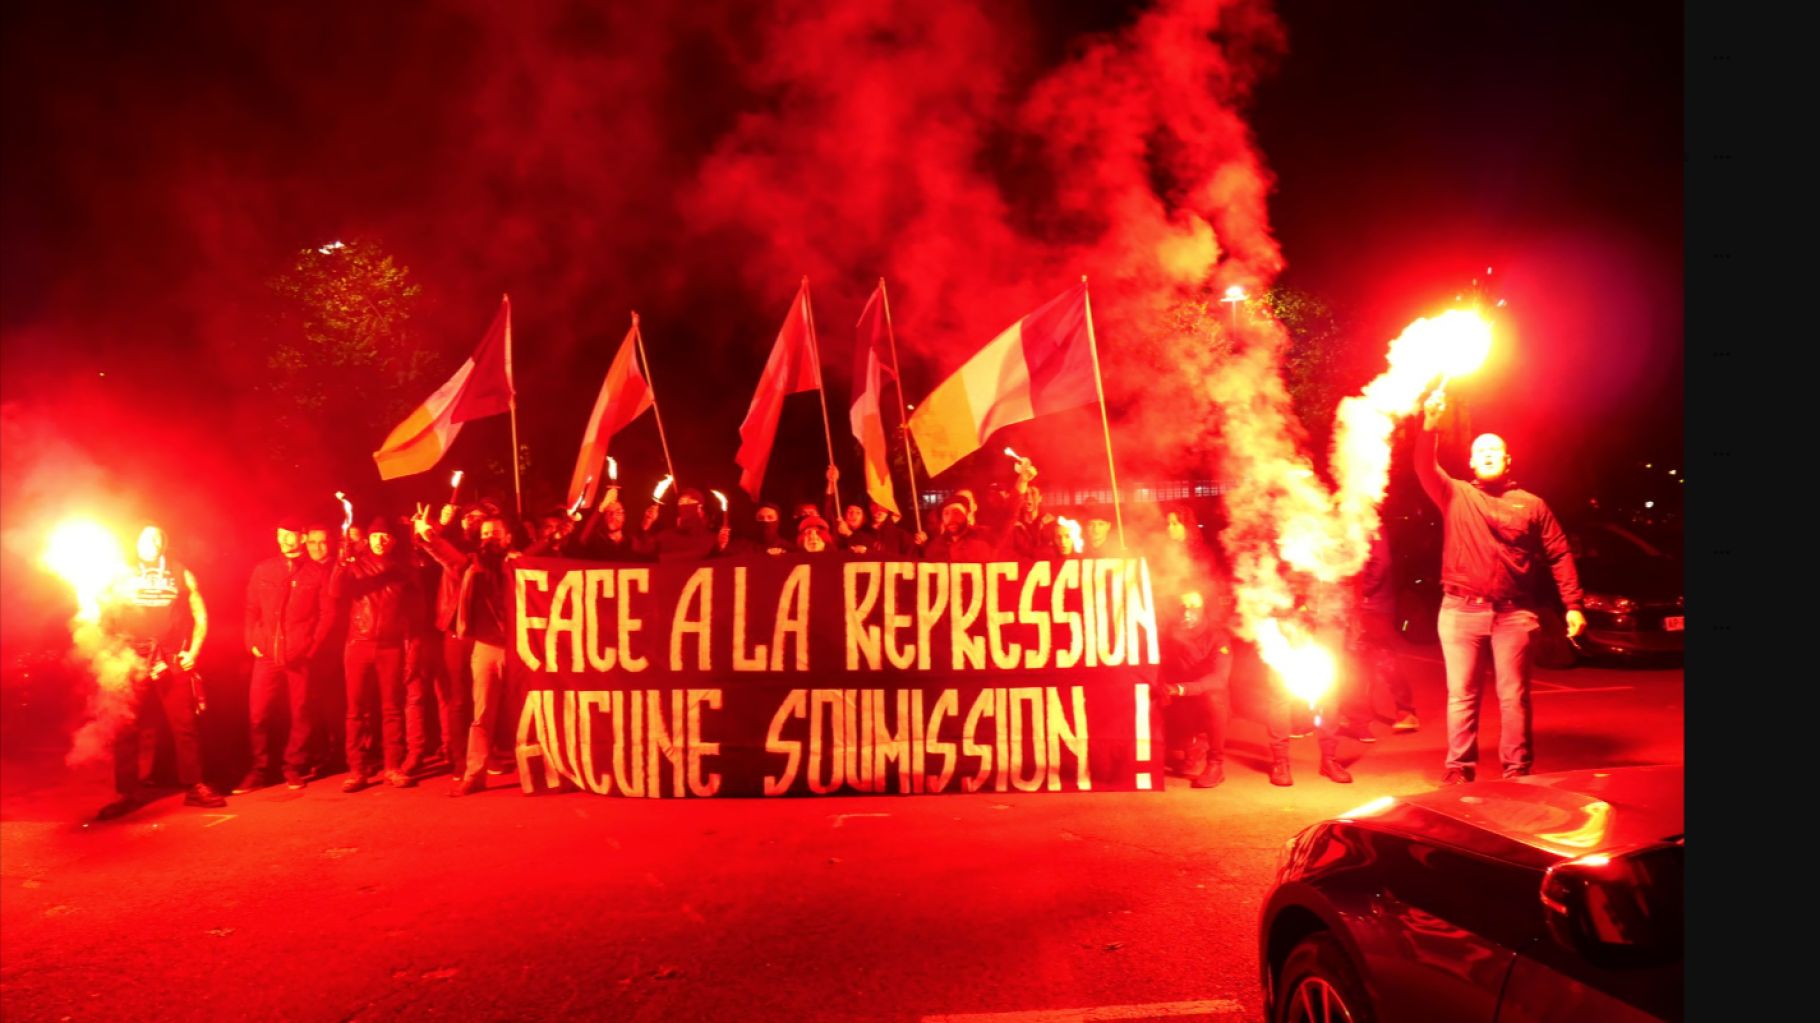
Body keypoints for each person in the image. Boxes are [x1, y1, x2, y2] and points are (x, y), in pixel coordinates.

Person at [1416, 389, 1585, 783]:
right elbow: (1424, 464)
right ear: (1472, 461)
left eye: (1495, 449)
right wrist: (1430, 423)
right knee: (1462, 696)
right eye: (1481, 449)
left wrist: (1573, 604)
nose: (1488, 453)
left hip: (1513, 614)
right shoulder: (1455, 494)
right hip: (1460, 611)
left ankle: (1517, 772)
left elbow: (1559, 552)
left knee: (1514, 698)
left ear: (1507, 460)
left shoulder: (1531, 505)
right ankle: (1459, 770)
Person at [95, 526, 228, 819]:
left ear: (164, 543)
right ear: (136, 542)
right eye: (146, 536)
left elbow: (200, 613)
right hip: (132, 658)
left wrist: (193, 652)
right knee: (126, 727)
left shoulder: (180, 572)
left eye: (158, 537)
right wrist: (114, 653)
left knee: (185, 725)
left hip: (170, 659)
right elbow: (104, 613)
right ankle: (127, 793)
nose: (152, 541)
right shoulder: (123, 572)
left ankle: (195, 786)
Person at [413, 506, 515, 796]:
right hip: (487, 648)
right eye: (485, 534)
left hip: (521, 648)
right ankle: (474, 774)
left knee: (528, 711)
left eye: (495, 533)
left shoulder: (522, 564)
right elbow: (448, 557)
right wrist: (428, 534)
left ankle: (543, 768)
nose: (489, 538)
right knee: (482, 714)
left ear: (508, 537)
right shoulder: (472, 565)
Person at [235, 517, 334, 793]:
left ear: (302, 537)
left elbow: (328, 614)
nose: (286, 540)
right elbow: (250, 608)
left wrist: (312, 646)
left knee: (301, 712)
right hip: (266, 653)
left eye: (291, 535)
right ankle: (260, 769)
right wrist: (251, 640)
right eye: (281, 535)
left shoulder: (316, 573)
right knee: (258, 714)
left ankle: (294, 767)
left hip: (299, 654)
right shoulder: (264, 569)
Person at [329, 517, 423, 791]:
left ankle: (392, 767)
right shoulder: (355, 567)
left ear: (393, 541)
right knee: (356, 710)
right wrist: (340, 565)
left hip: (390, 647)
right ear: (367, 540)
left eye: (385, 536)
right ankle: (357, 770)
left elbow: (416, 612)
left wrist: (412, 646)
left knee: (392, 708)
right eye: (374, 536)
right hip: (358, 644)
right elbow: (334, 592)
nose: (380, 541)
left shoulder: (405, 570)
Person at [1339, 526, 1419, 739]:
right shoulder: (1367, 522)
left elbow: (1381, 564)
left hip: (1370, 606)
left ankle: (1359, 720)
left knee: (1359, 659)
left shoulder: (1368, 522)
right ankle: (1404, 710)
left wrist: (1361, 591)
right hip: (1374, 605)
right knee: (1377, 655)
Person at [1157, 590, 1234, 789]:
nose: (1186, 614)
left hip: (1204, 696)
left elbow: (1219, 679)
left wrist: (1182, 689)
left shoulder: (1218, 637)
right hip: (1182, 696)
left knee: (1215, 699)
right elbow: (1161, 662)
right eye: (1183, 609)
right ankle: (1192, 747)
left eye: (1193, 609)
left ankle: (1215, 764)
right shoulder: (1172, 635)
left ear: (1202, 611)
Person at [921, 496, 995, 560]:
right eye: (946, 513)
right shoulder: (935, 547)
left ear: (967, 515)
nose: (951, 518)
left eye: (956, 512)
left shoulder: (983, 541)